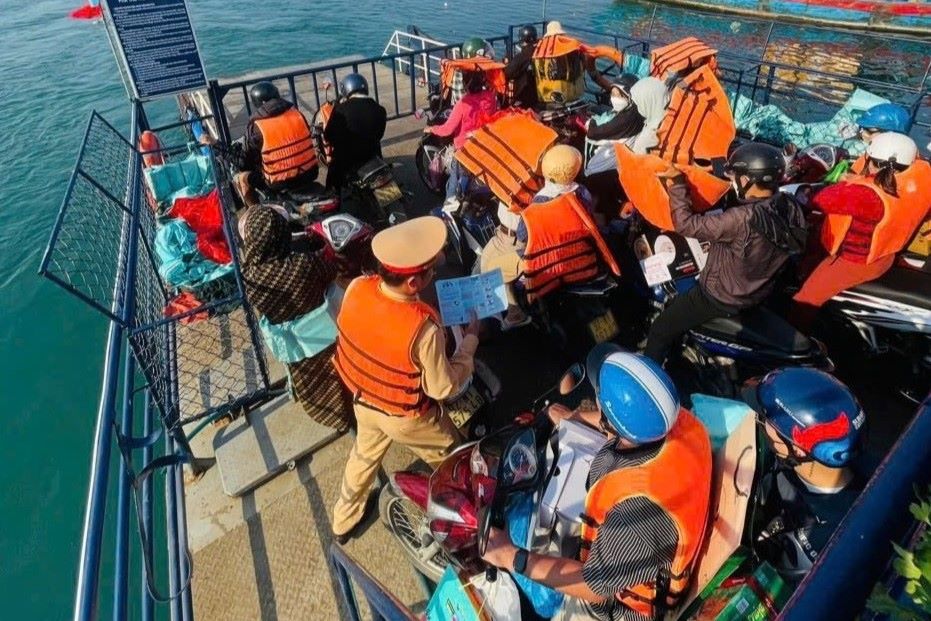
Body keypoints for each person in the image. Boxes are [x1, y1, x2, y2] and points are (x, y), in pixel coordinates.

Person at [482, 348, 712, 621]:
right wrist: (576, 418)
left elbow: (594, 587)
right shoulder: (676, 420)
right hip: (630, 545)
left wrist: (510, 556)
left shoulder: (637, 517)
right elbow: (626, 430)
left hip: (616, 606)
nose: (595, 398)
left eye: (599, 397)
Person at [331, 216, 480, 544]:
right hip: (407, 417)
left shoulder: (357, 288)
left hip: (364, 398)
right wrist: (469, 342)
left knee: (363, 457)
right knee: (453, 461)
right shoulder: (423, 327)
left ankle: (343, 519)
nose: (433, 275)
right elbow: (443, 387)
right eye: (430, 272)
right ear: (413, 282)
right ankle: (469, 523)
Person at [644, 143, 808, 364]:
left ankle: (650, 377)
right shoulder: (790, 206)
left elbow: (686, 225)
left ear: (746, 180)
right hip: (758, 292)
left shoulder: (741, 218)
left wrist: (677, 183)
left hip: (719, 297)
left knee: (660, 329)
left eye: (736, 177)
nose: (733, 181)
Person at [791, 132, 931, 330]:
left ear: (873, 163)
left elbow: (818, 200)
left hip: (856, 263)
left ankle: (791, 339)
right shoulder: (921, 180)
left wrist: (847, 181)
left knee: (806, 298)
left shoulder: (865, 194)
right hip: (886, 255)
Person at [744, 367, 866, 583]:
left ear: (798, 450)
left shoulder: (828, 540)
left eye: (765, 420)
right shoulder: (789, 461)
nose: (759, 421)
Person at [240, 206, 353, 431]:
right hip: (325, 335)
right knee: (339, 373)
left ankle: (334, 417)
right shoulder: (302, 264)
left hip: (294, 348)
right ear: (283, 234)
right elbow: (331, 271)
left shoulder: (249, 279)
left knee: (314, 381)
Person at [480, 145, 593, 329]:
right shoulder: (582, 192)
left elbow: (523, 235)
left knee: (492, 268)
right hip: (575, 251)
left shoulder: (540, 201)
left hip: (542, 256)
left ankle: (515, 313)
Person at [425, 66, 499, 207]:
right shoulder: (490, 97)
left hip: (466, 150)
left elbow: (447, 130)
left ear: (465, 84)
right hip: (484, 144)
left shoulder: (463, 104)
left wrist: (432, 129)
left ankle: (449, 205)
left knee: (455, 177)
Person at [237, 81, 319, 206]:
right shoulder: (297, 113)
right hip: (310, 173)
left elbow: (247, 158)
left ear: (257, 103)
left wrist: (242, 164)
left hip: (280, 182)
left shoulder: (256, 127)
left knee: (242, 178)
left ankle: (255, 212)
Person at [324, 73, 388, 190]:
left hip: (350, 158)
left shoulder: (341, 110)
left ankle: (333, 194)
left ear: (346, 90)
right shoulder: (380, 109)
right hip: (373, 154)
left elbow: (328, 135)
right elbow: (380, 134)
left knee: (333, 170)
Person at [504, 25, 539, 109]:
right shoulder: (539, 51)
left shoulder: (523, 56)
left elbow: (508, 73)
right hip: (538, 93)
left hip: (525, 98)